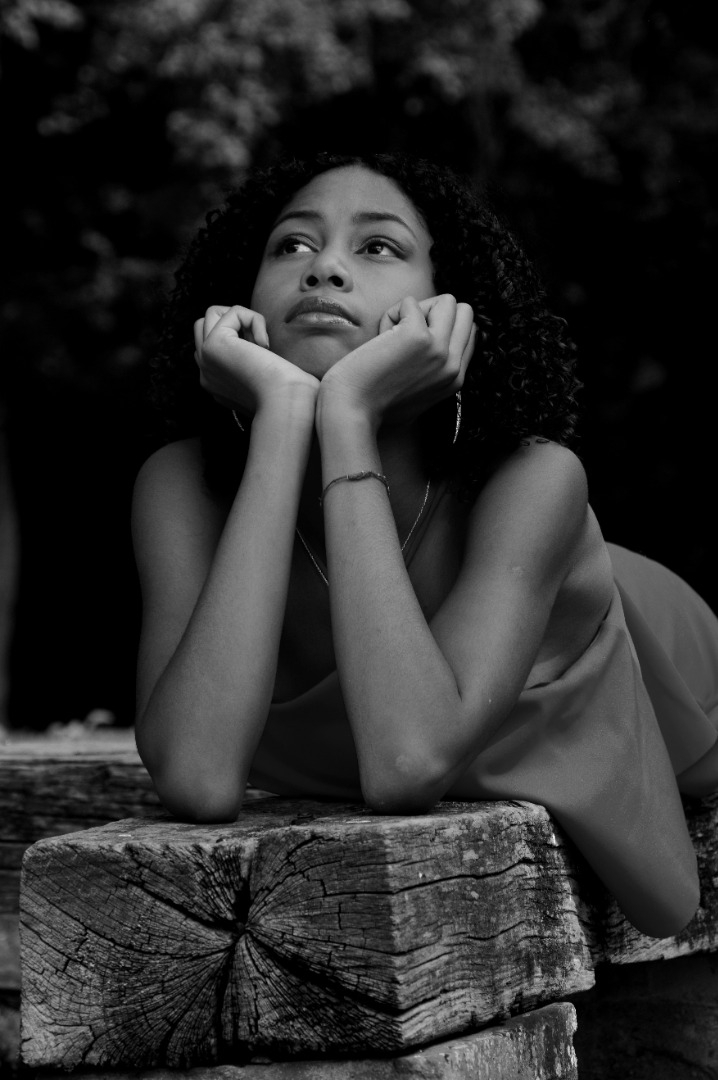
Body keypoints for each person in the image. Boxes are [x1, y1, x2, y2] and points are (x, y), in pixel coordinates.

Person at [132, 151, 718, 939]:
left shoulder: (535, 480)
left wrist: (347, 415)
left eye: (378, 246)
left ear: (449, 312)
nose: (324, 268)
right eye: (292, 244)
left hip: (663, 652)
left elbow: (406, 763)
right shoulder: (181, 484)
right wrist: (285, 420)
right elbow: (196, 776)